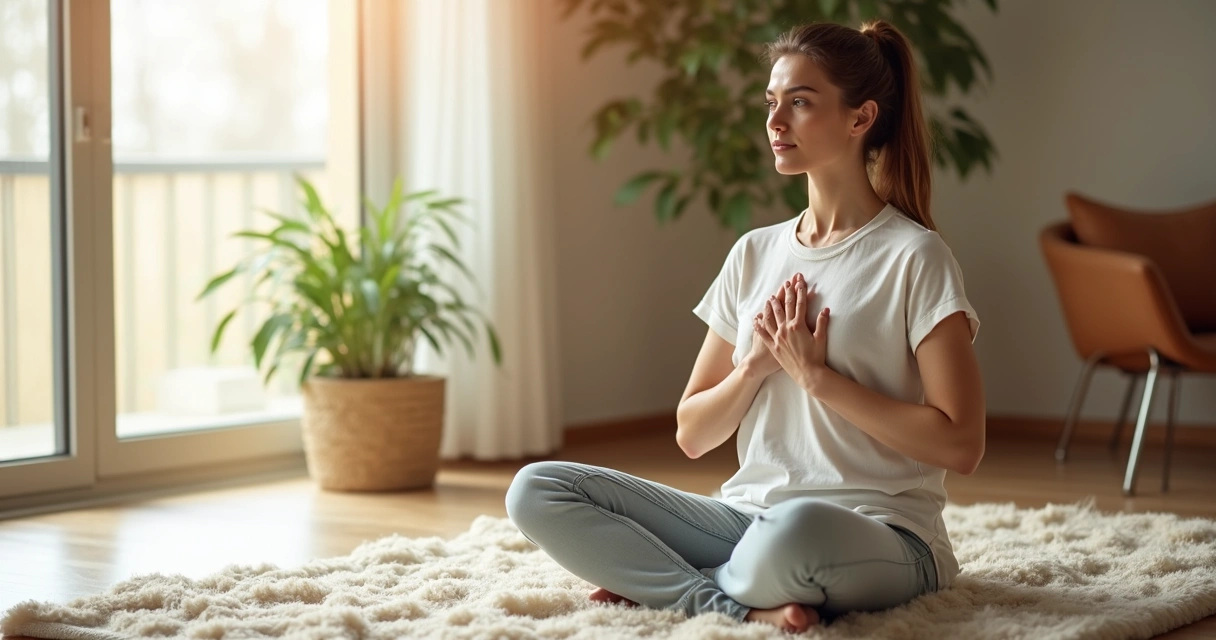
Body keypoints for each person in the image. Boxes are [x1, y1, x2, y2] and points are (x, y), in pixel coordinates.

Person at [505, 19, 984, 633]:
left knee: (794, 532)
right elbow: (693, 432)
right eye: (771, 102)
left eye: (800, 102)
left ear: (860, 118)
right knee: (536, 488)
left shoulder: (915, 256)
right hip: (746, 520)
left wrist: (816, 378)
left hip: (880, 532)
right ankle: (728, 601)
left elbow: (961, 444)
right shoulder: (754, 253)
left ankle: (660, 582)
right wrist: (755, 366)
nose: (775, 121)